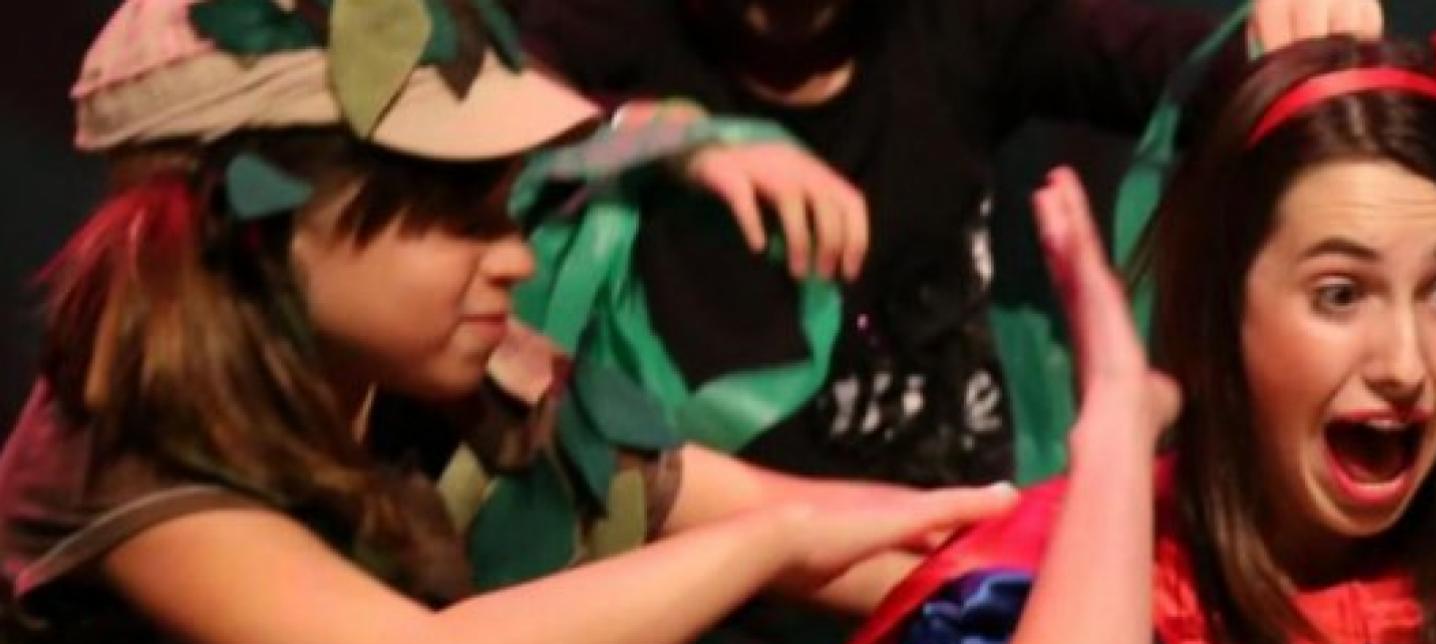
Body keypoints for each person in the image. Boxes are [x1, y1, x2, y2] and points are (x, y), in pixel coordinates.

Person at [0, 0, 1015, 644]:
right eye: (459, 217)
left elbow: (769, 510)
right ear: (264, 218)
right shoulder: (129, 444)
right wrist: (767, 545)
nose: (515, 259)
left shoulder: (457, 378)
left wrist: (1031, 551)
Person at [814, 33, 1436, 644]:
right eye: (1340, 295)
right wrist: (1113, 436)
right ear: (1227, 311)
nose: (1405, 362)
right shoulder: (1056, 593)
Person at [512, 0, 1386, 487]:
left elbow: (1167, 59)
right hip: (727, 570)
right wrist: (664, 135)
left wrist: (1280, 38)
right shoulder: (616, 25)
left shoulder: (952, 23)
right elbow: (487, 109)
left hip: (947, 534)